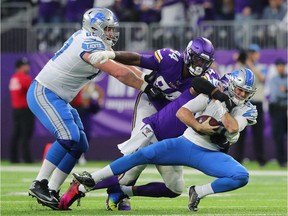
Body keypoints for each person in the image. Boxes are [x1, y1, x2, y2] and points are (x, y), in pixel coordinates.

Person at [27, 7, 163, 210]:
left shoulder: (96, 42)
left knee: (80, 143)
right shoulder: (89, 42)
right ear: (94, 27)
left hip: (60, 97)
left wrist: (146, 78)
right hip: (45, 92)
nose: (111, 33)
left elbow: (125, 65)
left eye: (112, 29)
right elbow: (118, 72)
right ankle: (40, 183)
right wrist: (145, 87)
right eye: (107, 29)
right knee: (69, 136)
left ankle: (53, 189)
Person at [71, 67, 258, 212]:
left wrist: (221, 105)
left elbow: (232, 126)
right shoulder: (211, 94)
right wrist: (198, 125)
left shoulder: (247, 109)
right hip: (185, 143)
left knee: (240, 176)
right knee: (142, 154)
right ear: (232, 85)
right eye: (240, 90)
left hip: (211, 153)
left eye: (246, 93)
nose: (242, 95)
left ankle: (198, 192)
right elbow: (182, 112)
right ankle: (92, 178)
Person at [83, 37, 216, 210]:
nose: (199, 64)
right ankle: (90, 186)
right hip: (150, 105)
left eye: (204, 62)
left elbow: (218, 95)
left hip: (172, 120)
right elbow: (137, 59)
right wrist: (111, 54)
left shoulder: (207, 78)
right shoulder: (170, 59)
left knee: (175, 186)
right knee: (139, 154)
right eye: (197, 59)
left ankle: (123, 191)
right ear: (189, 54)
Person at [234, 44, 267, 166]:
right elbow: (234, 76)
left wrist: (249, 64)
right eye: (250, 53)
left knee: (258, 134)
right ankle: (238, 159)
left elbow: (262, 78)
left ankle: (261, 160)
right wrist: (240, 61)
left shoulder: (261, 66)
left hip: (257, 103)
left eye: (254, 53)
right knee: (239, 133)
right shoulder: (242, 67)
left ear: (258, 54)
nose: (252, 55)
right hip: (242, 103)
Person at [70, 81, 105, 165]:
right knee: (74, 133)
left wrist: (96, 100)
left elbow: (96, 103)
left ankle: (80, 154)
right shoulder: (76, 84)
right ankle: (71, 155)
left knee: (86, 134)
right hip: (75, 110)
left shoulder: (92, 86)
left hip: (85, 112)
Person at [9, 57, 35, 163]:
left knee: (17, 133)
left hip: (16, 109)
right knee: (25, 134)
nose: (28, 67)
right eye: (26, 65)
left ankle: (13, 158)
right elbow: (33, 90)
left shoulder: (14, 77)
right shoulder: (23, 78)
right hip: (25, 110)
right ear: (21, 67)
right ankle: (26, 158)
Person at [268, 58, 287, 167]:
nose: (280, 67)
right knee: (279, 136)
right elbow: (275, 95)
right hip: (277, 109)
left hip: (286, 109)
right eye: (278, 66)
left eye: (282, 65)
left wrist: (285, 90)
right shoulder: (273, 79)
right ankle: (281, 160)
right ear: (276, 67)